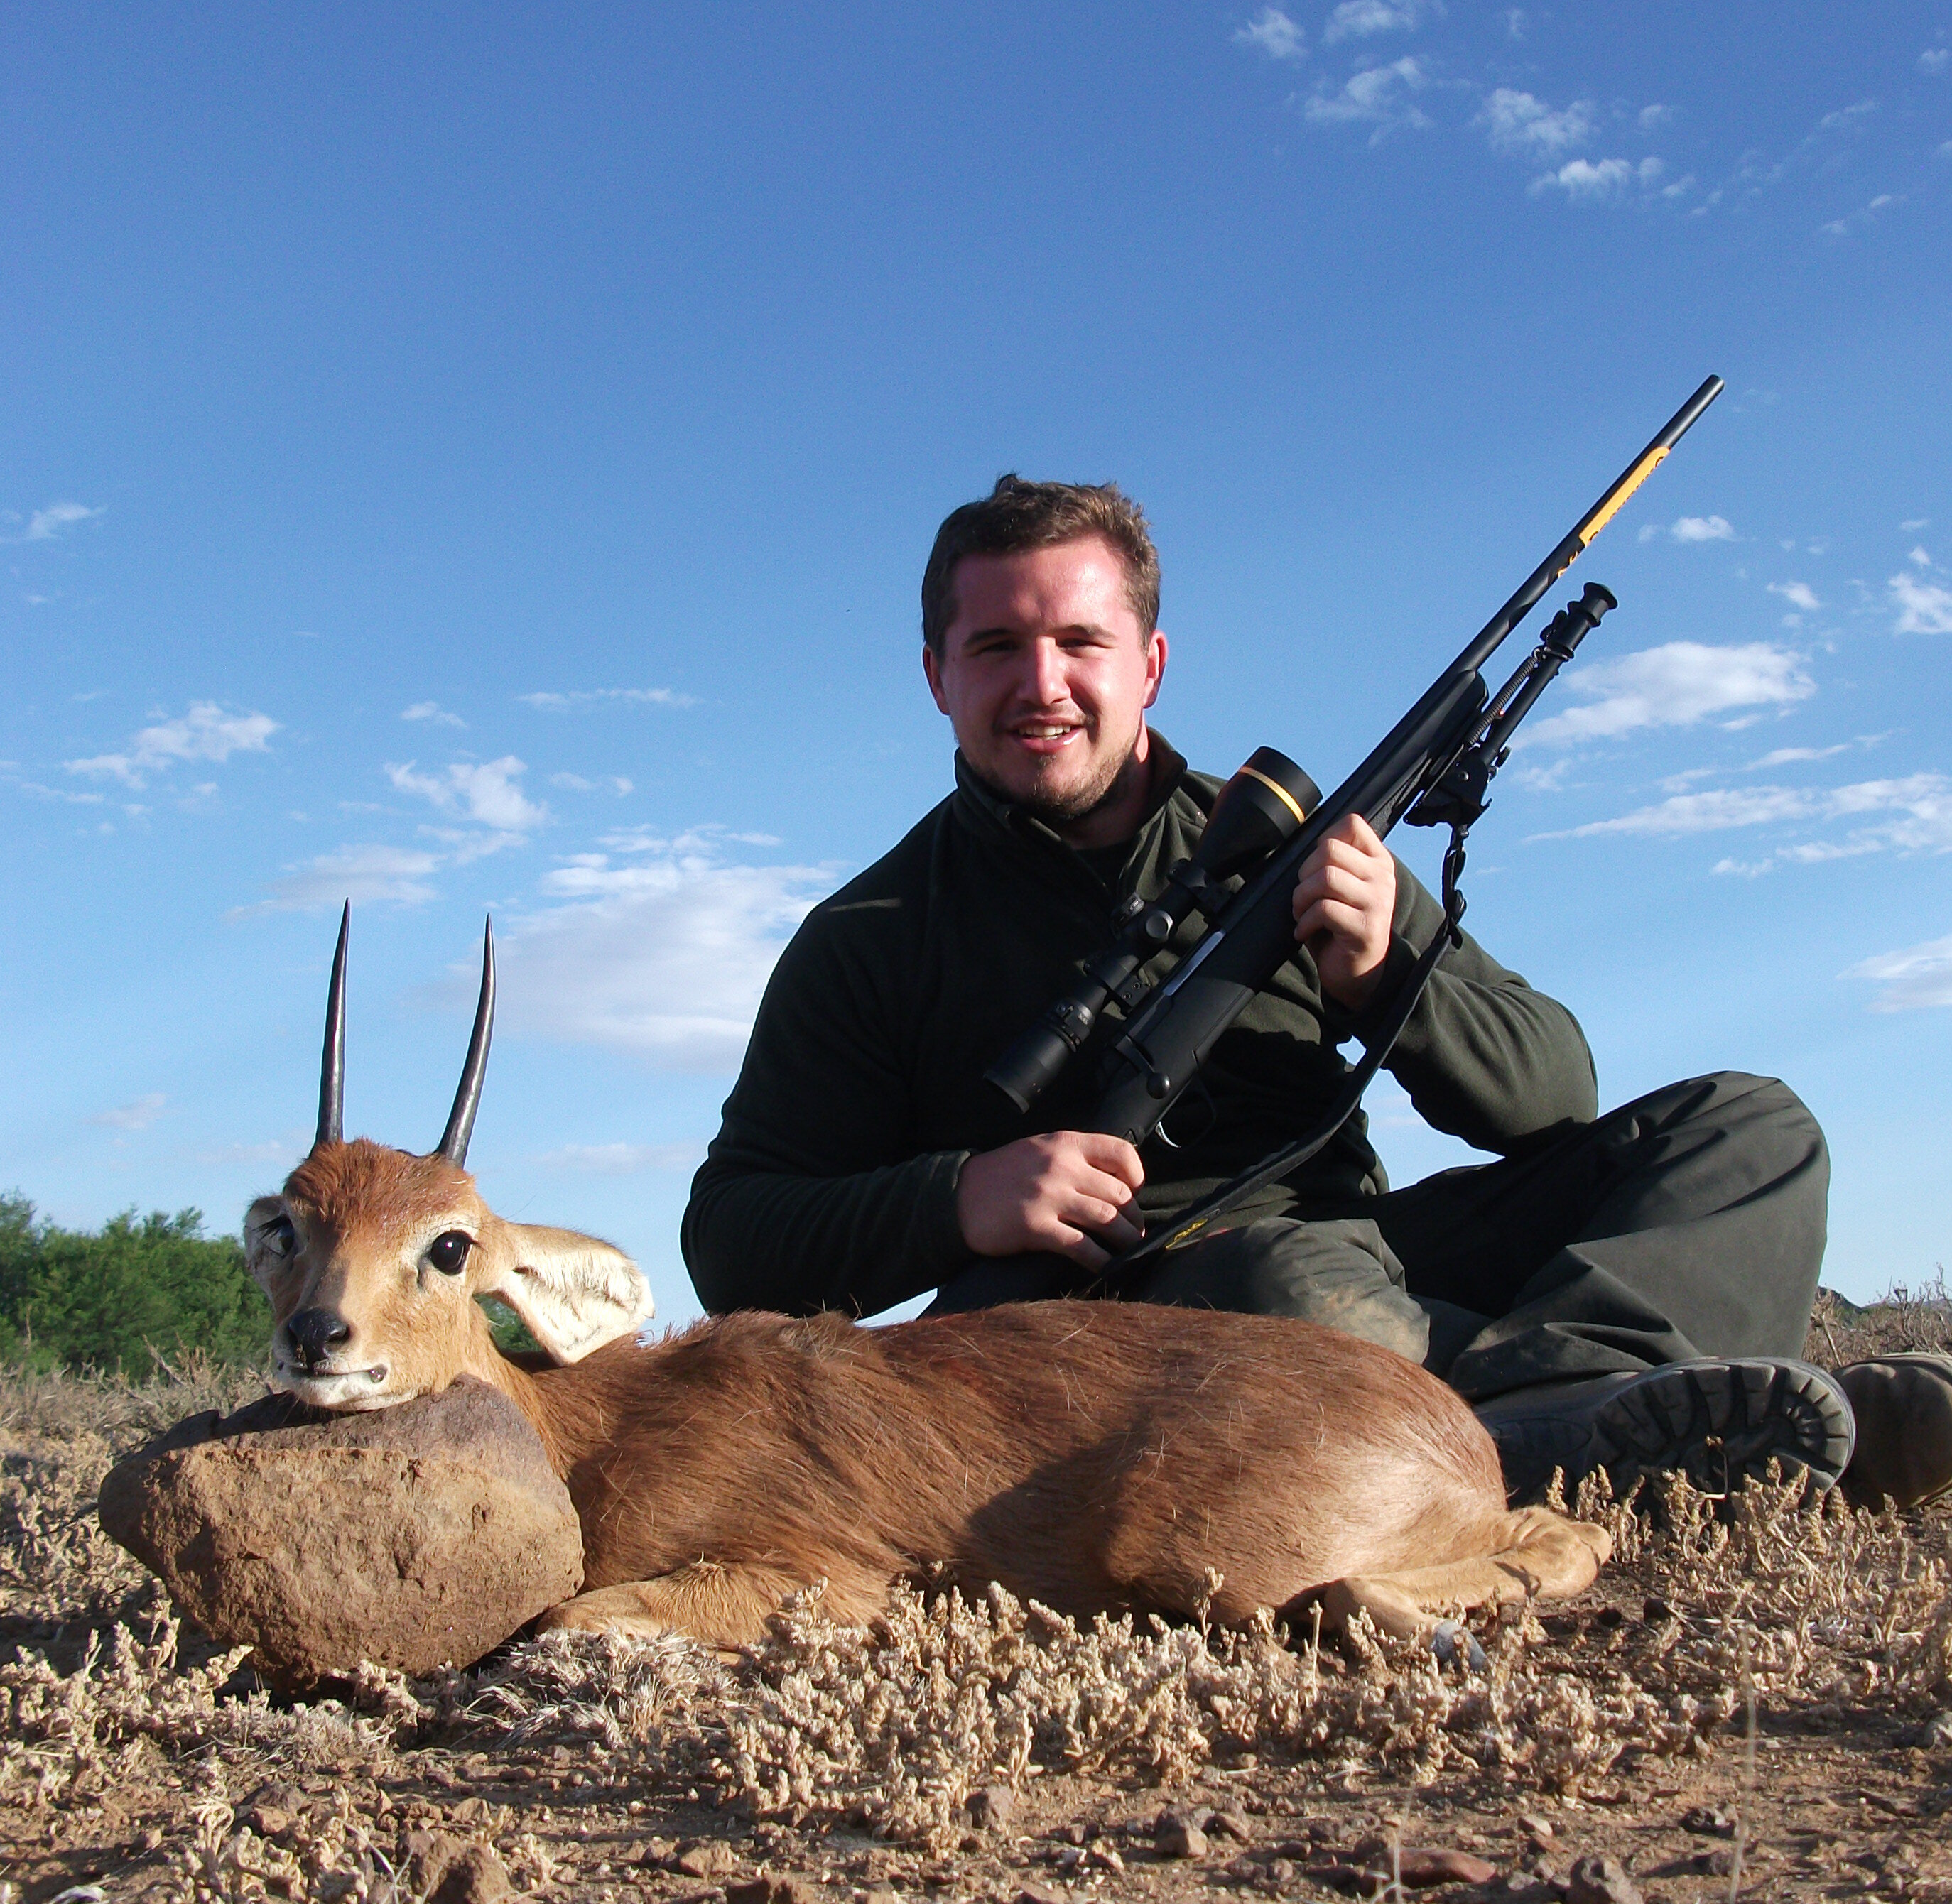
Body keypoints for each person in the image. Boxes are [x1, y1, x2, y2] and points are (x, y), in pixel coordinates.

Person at [683, 475, 1946, 1508]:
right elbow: (733, 1237)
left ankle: (1567, 1417)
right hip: (1167, 1314)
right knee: (1281, 1290)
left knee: (1751, 1127)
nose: (1043, 683)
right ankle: (1642, 1428)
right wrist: (962, 1197)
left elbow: (1553, 1094)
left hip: (1375, 1267)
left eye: (1081, 641)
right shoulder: (869, 933)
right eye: (997, 646)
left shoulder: (1294, 847)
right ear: (937, 676)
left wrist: (1391, 965)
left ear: (1151, 664)